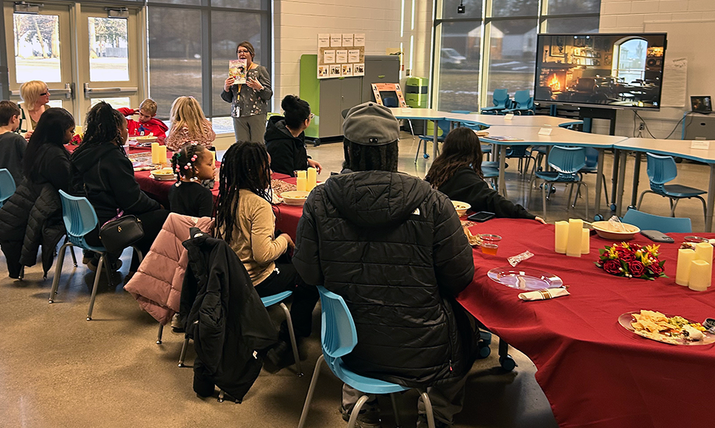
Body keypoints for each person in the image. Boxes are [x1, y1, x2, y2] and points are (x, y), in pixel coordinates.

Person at [293, 102, 478, 428]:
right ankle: (436, 414)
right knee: (466, 330)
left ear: (348, 150)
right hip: (422, 351)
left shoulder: (319, 201)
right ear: (395, 150)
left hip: (348, 348)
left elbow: (308, 273)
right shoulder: (433, 202)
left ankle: (358, 405)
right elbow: (459, 276)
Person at [214, 141, 318, 371]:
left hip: (231, 277)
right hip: (255, 280)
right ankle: (288, 342)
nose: (270, 173)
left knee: (286, 256)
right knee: (309, 277)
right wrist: (285, 239)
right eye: (267, 168)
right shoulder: (259, 205)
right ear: (253, 172)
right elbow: (263, 256)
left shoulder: (227, 197)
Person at [71, 102, 169, 271]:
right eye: (125, 129)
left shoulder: (82, 153)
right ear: (117, 131)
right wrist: (157, 205)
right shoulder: (113, 158)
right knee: (164, 216)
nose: (127, 132)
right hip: (104, 229)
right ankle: (137, 272)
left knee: (146, 211)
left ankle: (99, 259)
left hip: (82, 225)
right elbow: (133, 202)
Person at [0, 108, 76, 279]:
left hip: (32, 202)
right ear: (58, 132)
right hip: (51, 209)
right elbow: (68, 187)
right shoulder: (55, 156)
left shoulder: (37, 147)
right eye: (70, 131)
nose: (72, 135)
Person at [426, 127, 545, 223]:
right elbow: (493, 199)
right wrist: (524, 214)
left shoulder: (438, 167)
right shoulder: (464, 175)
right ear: (474, 150)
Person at [220, 42, 272, 143]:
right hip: (238, 113)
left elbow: (268, 94)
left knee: (257, 144)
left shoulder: (260, 70)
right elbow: (228, 98)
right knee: (242, 146)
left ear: (252, 54)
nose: (242, 54)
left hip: (256, 113)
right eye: (239, 52)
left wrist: (259, 87)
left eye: (245, 51)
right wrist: (226, 87)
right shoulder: (235, 71)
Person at [264, 95, 321, 176]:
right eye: (310, 116)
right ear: (305, 122)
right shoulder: (280, 144)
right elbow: (285, 175)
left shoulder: (297, 134)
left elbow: (296, 157)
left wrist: (307, 161)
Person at [168, 143, 215, 217]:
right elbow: (204, 222)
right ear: (196, 169)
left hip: (176, 225)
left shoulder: (174, 188)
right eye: (209, 164)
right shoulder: (204, 194)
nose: (214, 167)